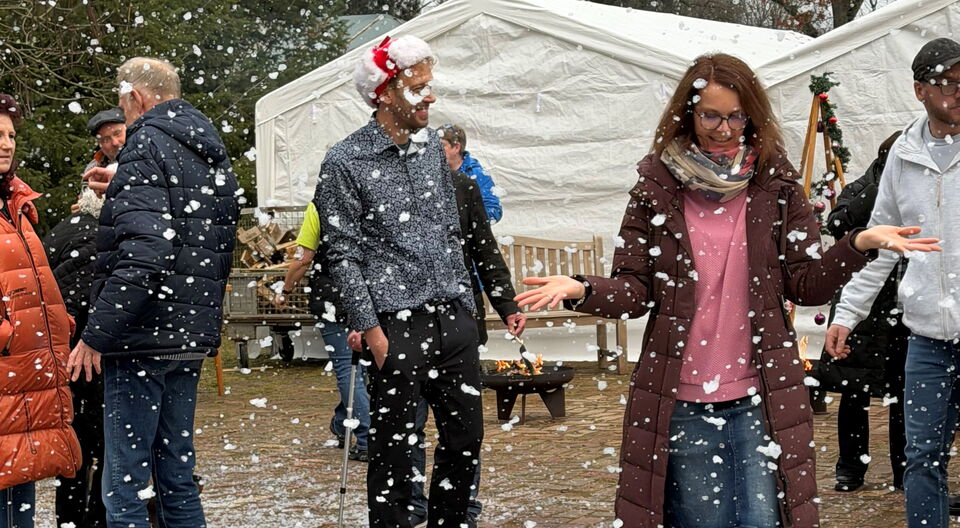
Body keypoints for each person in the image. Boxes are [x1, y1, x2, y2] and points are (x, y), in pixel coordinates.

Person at [515, 54, 939, 527]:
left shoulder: (774, 184)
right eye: (710, 115)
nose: (723, 128)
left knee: (762, 519)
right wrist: (581, 287)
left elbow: (806, 283)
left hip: (760, 393)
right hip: (683, 395)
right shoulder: (656, 187)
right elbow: (636, 291)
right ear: (688, 113)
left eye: (736, 115)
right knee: (702, 520)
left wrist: (859, 244)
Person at [315, 35, 483, 528]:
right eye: (418, 87)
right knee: (394, 456)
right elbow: (341, 254)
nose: (430, 97)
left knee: (465, 443)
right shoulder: (345, 160)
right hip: (395, 328)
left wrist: (467, 312)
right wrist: (372, 331)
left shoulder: (433, 149)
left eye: (431, 86)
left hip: (452, 320)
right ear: (385, 92)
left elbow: (450, 233)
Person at [66, 57, 239, 528]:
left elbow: (147, 251)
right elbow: (203, 232)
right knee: (176, 474)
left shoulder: (145, 143)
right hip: (189, 333)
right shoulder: (206, 144)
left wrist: (95, 335)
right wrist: (121, 182)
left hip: (143, 335)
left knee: (125, 485)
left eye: (123, 104)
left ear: (136, 98)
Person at [826, 37, 960, 528]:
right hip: (927, 338)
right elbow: (881, 243)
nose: (959, 92)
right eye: (947, 82)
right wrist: (847, 314)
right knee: (922, 457)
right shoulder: (902, 156)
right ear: (920, 90)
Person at [407, 172, 528, 526]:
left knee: (463, 431)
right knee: (407, 426)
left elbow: (484, 248)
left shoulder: (460, 185)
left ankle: (461, 508)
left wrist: (507, 304)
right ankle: (412, 504)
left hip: (459, 323)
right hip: (402, 326)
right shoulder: (378, 178)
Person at [0, 93, 82, 528]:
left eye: (11, 134)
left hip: (27, 377)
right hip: (9, 372)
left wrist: (57, 328)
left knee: (21, 481)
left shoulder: (16, 206)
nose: (6, 143)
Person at [813, 131, 908, 493]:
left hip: (903, 310)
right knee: (854, 390)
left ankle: (903, 471)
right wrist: (880, 185)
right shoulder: (862, 187)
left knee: (902, 393)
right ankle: (850, 469)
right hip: (865, 310)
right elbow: (837, 224)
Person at [46, 111, 122, 528]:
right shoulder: (107, 237)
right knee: (106, 446)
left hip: (67, 357)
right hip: (99, 354)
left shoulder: (61, 232)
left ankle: (72, 517)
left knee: (75, 449)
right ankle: (95, 515)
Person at [274, 202, 370, 461]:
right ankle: (342, 423)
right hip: (373, 292)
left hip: (334, 297)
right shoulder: (375, 192)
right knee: (367, 368)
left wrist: (286, 288)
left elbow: (304, 257)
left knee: (348, 370)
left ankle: (366, 439)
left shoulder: (320, 206)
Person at [440, 124, 502, 223]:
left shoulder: (476, 174)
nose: (435, 150)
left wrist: (466, 217)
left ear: (456, 147)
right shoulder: (430, 171)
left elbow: (494, 211)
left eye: (441, 146)